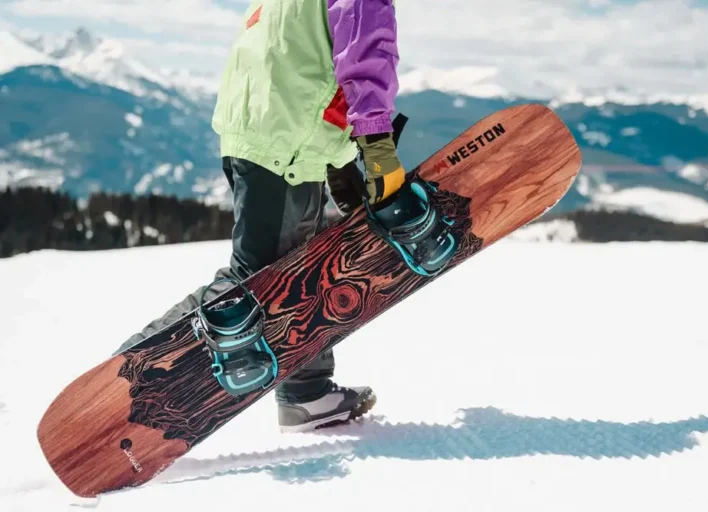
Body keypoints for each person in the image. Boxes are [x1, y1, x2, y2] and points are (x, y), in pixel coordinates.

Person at [115, 0, 455, 433]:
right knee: (259, 281)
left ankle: (307, 392)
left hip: (262, 131)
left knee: (302, 268)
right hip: (285, 140)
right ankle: (126, 374)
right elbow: (365, 53)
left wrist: (340, 158)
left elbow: (294, 50)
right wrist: (376, 145)